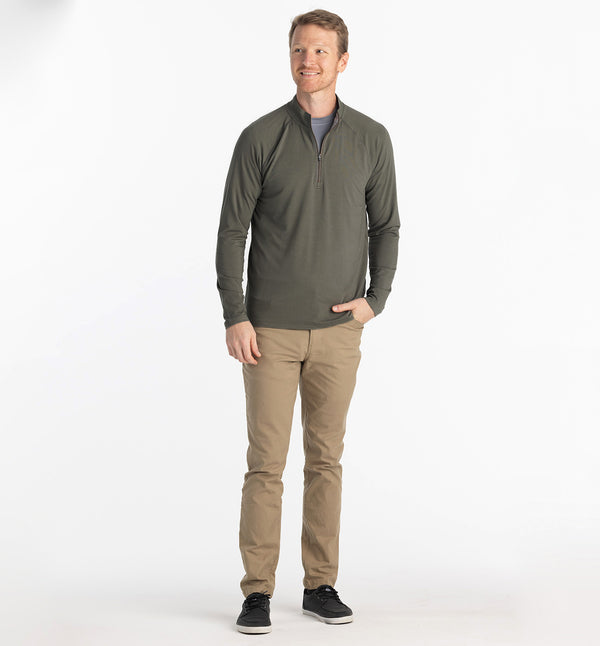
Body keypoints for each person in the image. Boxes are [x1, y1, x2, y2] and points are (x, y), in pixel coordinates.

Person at [215, 9, 400, 634]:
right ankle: (257, 592)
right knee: (265, 463)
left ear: (342, 61)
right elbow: (232, 232)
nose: (308, 60)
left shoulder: (372, 138)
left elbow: (386, 225)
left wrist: (377, 297)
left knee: (326, 460)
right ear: (289, 57)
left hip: (340, 330)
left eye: (321, 51)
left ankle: (320, 584)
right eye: (299, 49)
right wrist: (236, 315)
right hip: (268, 331)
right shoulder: (260, 137)